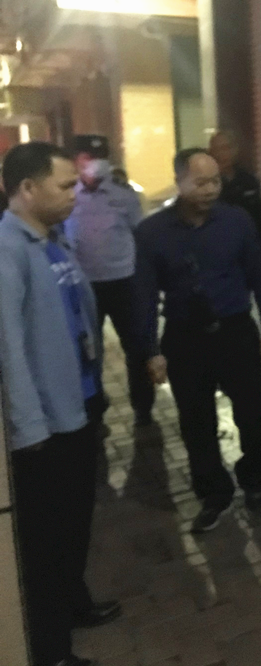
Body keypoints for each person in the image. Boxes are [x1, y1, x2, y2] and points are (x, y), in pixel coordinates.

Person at [0, 142, 122, 666]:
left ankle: (73, 603)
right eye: (65, 185)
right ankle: (50, 650)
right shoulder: (8, 250)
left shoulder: (50, 238)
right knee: (46, 541)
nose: (75, 193)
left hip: (79, 406)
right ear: (27, 189)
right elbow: (8, 348)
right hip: (47, 426)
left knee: (74, 523)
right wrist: (29, 429)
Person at [134, 148, 261, 533]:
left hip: (236, 333)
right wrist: (151, 351)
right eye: (200, 182)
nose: (210, 189)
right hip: (185, 339)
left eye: (215, 181)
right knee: (196, 424)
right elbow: (144, 296)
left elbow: (260, 276)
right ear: (179, 182)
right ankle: (214, 494)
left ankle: (253, 479)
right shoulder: (151, 233)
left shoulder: (237, 221)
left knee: (253, 415)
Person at [63, 134, 155, 427]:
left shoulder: (124, 195)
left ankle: (143, 408)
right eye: (88, 158)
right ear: (77, 161)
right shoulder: (68, 196)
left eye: (101, 157)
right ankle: (95, 411)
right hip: (86, 286)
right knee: (91, 352)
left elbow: (140, 236)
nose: (95, 164)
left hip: (124, 282)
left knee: (136, 348)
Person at [209, 130, 261, 260]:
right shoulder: (209, 184)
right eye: (217, 149)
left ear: (235, 150)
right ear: (211, 152)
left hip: (250, 252)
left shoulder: (248, 180)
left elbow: (260, 219)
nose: (222, 154)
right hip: (221, 253)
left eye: (226, 148)